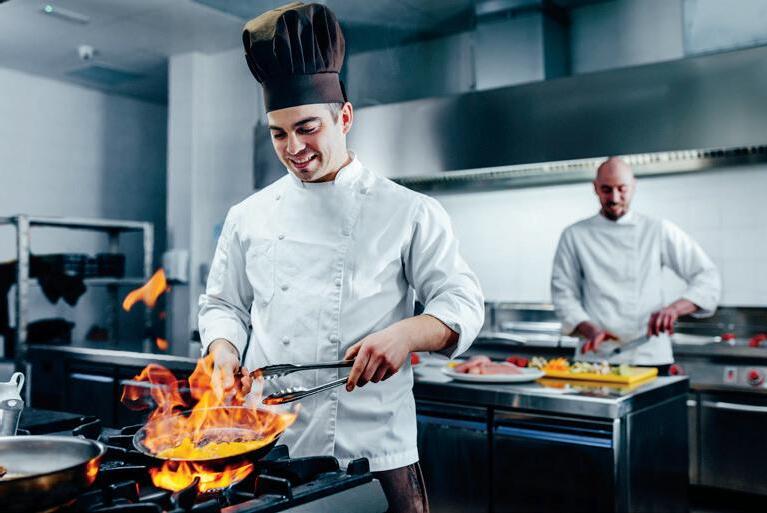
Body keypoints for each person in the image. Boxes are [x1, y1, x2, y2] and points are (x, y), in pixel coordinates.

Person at [197, 3, 484, 511]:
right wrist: (223, 351)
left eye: (307, 128)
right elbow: (224, 305)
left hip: (375, 448)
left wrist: (406, 334)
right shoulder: (248, 215)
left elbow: (461, 301)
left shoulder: (409, 211)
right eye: (279, 133)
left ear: (344, 117)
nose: (293, 147)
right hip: (267, 443)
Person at [551, 157, 721, 370]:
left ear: (633, 186)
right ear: (595, 188)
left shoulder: (657, 229)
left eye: (621, 189)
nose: (614, 198)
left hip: (649, 356)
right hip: (596, 358)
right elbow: (563, 294)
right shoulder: (575, 235)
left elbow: (707, 276)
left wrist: (674, 309)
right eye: (606, 189)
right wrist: (590, 329)